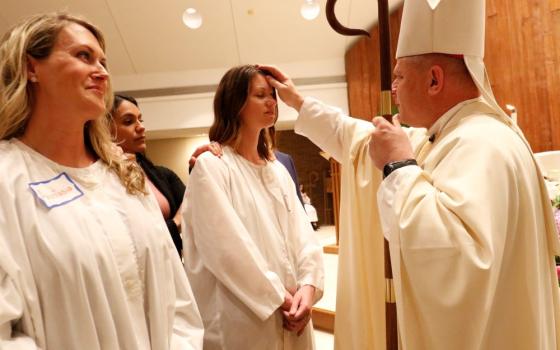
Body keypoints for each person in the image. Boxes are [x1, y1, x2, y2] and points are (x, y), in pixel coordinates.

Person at [261, 0, 560, 349]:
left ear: (434, 79)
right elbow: (359, 139)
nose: (394, 89)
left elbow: (454, 262)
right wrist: (298, 102)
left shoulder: (481, 144)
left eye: (400, 76)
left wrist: (400, 168)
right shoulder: (450, 135)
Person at [0, 13, 203, 349]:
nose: (103, 72)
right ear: (31, 68)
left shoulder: (124, 177)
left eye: (104, 61)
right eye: (84, 56)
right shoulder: (8, 179)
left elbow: (178, 299)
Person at [183, 64, 324, 349]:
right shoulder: (213, 166)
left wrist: (308, 288)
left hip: (293, 310)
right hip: (246, 316)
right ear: (235, 104)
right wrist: (280, 298)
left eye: (272, 94)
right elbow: (227, 249)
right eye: (260, 95)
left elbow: (304, 236)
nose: (272, 101)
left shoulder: (277, 170)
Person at [110, 94, 185, 256]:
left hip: (173, 262)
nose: (141, 127)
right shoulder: (105, 181)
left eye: (140, 120)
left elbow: (193, 203)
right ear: (106, 130)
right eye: (128, 122)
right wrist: (175, 223)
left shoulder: (163, 175)